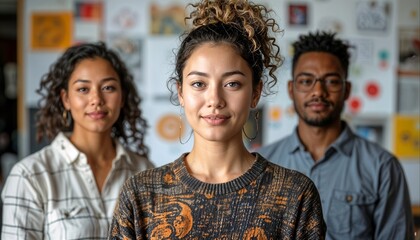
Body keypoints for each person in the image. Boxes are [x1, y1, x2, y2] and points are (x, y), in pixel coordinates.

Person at [109, 0, 326, 239]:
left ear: (255, 92)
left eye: (232, 84)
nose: (214, 99)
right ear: (181, 93)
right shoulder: (141, 194)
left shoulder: (295, 195)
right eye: (199, 84)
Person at [258, 31, 415, 240]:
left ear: (347, 89)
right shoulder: (263, 163)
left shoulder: (382, 167)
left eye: (331, 81)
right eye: (306, 81)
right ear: (291, 89)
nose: (318, 92)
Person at [1, 42, 154, 239]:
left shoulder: (144, 173)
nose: (96, 99)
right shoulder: (29, 176)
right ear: (66, 99)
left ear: (122, 97)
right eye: (83, 89)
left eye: (108, 87)